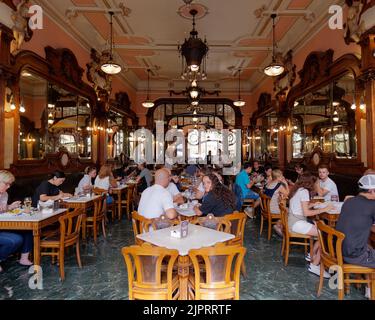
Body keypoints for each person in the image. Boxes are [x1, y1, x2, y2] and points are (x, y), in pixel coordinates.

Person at [288, 172, 334, 278]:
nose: (316, 185)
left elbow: (300, 206)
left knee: (322, 231)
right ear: (310, 183)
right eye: (315, 183)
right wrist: (325, 209)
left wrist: (312, 204)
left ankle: (311, 255)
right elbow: (306, 213)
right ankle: (314, 265)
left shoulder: (298, 189)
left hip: (293, 220)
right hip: (297, 223)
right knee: (326, 235)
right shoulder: (304, 192)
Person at [336, 175, 375, 299]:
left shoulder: (349, 201)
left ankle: (368, 288)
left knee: (369, 247)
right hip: (353, 254)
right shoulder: (372, 205)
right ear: (371, 191)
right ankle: (371, 292)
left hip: (339, 249)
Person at [0, 170, 33, 271]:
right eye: (7, 184)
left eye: (10, 184)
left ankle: (24, 258)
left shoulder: (4, 194)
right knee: (15, 240)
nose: (8, 187)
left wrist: (10, 206)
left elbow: (3, 210)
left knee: (28, 229)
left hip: (3, 225)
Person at [263, 169, 289, 236]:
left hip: (266, 208)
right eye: (281, 176)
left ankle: (278, 224)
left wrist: (279, 196)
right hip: (273, 209)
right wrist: (285, 183)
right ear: (278, 177)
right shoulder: (279, 185)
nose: (283, 177)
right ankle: (278, 226)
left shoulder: (269, 183)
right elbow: (287, 193)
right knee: (288, 211)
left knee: (284, 207)